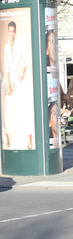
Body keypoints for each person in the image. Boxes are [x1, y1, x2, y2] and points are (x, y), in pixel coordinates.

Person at [1, 20, 35, 150]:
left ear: (15, 32)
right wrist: (8, 82)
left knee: (23, 107)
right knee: (8, 108)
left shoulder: (20, 45)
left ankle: (28, 137)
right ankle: (8, 137)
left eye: (13, 31)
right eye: (9, 32)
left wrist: (22, 73)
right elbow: (6, 66)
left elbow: (25, 62)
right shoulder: (5, 46)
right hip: (9, 79)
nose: (11, 34)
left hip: (19, 79)